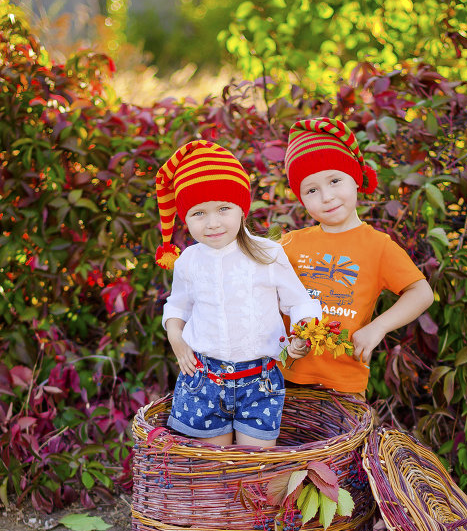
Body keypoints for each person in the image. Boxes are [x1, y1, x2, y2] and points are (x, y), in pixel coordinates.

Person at [155, 140, 321, 447]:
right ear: (184, 218)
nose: (213, 222)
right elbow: (177, 306)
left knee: (255, 470)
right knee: (214, 468)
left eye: (223, 209)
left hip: (260, 379)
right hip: (203, 378)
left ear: (241, 208)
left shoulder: (267, 254)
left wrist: (303, 334)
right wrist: (176, 338)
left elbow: (298, 301)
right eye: (198, 213)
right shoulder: (189, 260)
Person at [280, 117, 434, 397]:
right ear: (301, 198)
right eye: (311, 190)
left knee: (342, 442)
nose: (326, 197)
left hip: (344, 384)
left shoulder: (378, 246)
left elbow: (421, 292)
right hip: (283, 379)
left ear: (355, 179)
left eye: (335, 180)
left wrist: (378, 328)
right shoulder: (290, 243)